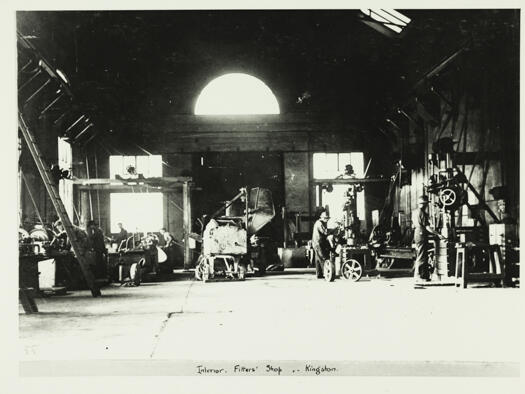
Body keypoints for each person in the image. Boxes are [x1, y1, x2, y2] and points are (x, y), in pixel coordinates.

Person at [413, 195, 442, 281]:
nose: (426, 206)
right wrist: (438, 234)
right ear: (424, 204)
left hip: (417, 233)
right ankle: (419, 276)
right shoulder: (422, 213)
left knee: (421, 254)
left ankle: (422, 275)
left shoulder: (414, 212)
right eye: (425, 204)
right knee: (422, 256)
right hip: (421, 233)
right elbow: (427, 227)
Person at [312, 210, 331, 279]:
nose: (327, 220)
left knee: (318, 259)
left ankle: (319, 274)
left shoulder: (320, 223)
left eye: (327, 219)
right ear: (322, 218)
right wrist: (334, 230)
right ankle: (326, 274)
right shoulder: (319, 223)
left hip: (316, 243)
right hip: (318, 243)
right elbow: (325, 232)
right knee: (323, 258)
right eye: (326, 219)